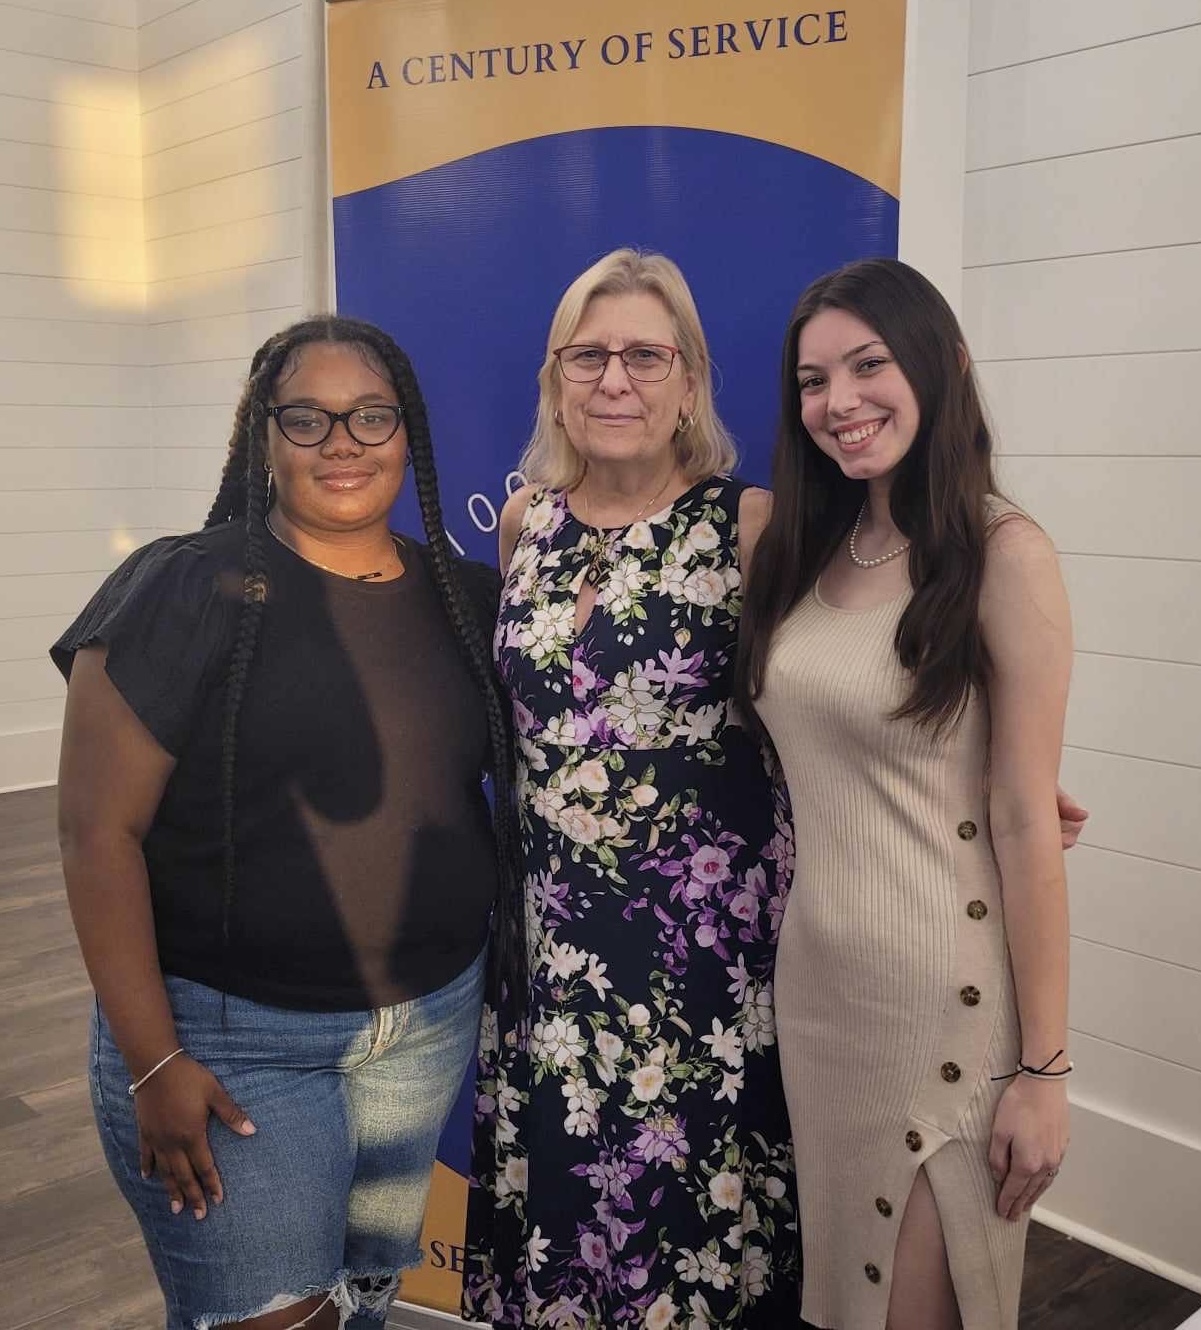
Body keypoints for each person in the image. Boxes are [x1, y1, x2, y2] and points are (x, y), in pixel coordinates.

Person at [52, 316, 523, 1330]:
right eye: (306, 418)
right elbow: (96, 838)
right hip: (234, 1044)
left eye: (370, 417)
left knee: (361, 1302)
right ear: (262, 435)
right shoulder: (184, 586)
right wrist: (153, 1060)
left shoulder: (467, 598)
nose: (341, 442)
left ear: (408, 433)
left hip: (424, 1029)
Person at [463, 250, 802, 1327]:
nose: (615, 379)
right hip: (550, 949)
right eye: (588, 355)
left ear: (689, 381)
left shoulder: (747, 526)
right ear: (555, 381)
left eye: (645, 356)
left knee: (686, 1230)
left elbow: (843, 694)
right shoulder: (525, 523)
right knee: (567, 1219)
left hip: (699, 959)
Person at [737, 258, 1073, 1330]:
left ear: (944, 365)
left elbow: (1023, 821)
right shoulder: (804, 549)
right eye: (813, 380)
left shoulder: (1001, 553)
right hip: (821, 995)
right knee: (841, 1304)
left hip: (943, 1001)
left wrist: (1045, 1071)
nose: (839, 401)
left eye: (868, 365)